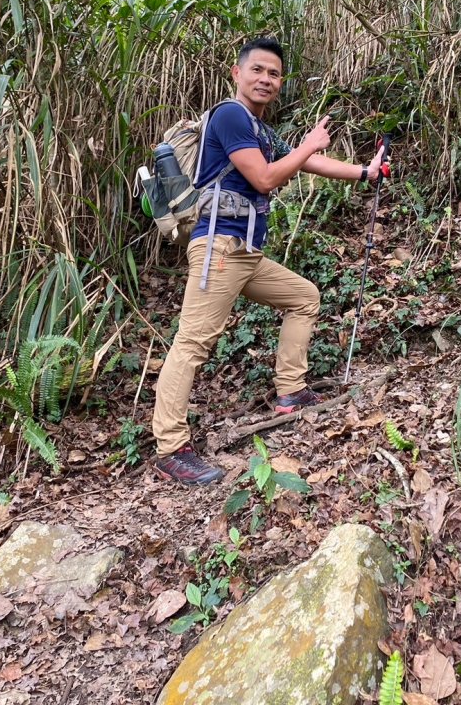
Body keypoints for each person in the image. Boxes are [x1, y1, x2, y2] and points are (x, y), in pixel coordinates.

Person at [152, 37, 386, 486]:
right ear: (236, 73)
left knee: (303, 296)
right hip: (219, 249)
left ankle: (291, 392)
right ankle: (170, 448)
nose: (266, 79)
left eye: (274, 74)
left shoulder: (259, 130)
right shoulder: (230, 115)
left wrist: (364, 172)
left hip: (246, 253)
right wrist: (308, 144)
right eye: (258, 70)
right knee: (193, 343)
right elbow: (264, 179)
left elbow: (309, 164)